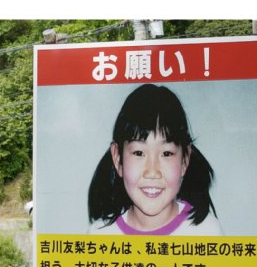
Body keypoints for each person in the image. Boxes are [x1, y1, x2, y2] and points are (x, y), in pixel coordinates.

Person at [88, 84, 222, 236]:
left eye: (166, 153)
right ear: (117, 158)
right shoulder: (99, 235)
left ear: (184, 160)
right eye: (139, 153)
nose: (152, 171)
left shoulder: (207, 232)